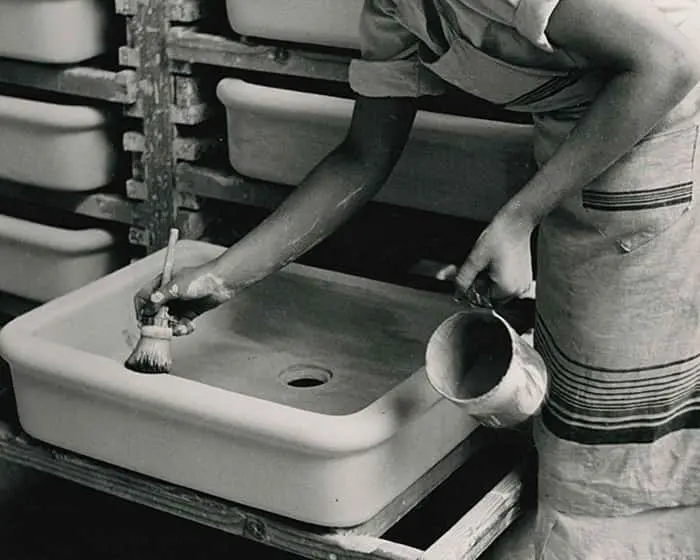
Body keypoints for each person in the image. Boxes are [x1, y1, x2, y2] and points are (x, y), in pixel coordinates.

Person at [136, 0, 700, 556]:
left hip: (667, 130)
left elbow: (669, 63)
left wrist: (518, 217)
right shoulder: (393, 9)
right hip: (585, 145)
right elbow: (362, 156)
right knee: (573, 418)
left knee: (621, 453)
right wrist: (222, 276)